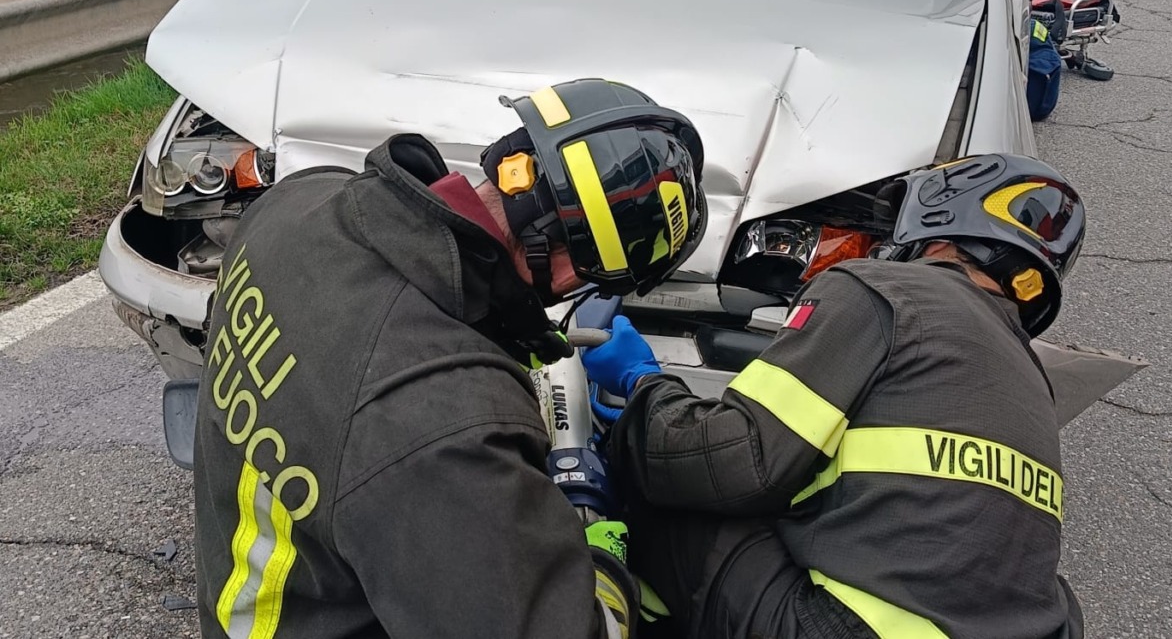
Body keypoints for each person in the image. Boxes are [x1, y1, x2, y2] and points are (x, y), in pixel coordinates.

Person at [191, 78, 707, 639]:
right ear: (567, 271)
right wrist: (597, 552)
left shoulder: (299, 202)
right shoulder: (447, 427)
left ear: (512, 155)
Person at [585, 154, 1089, 639]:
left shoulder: (882, 289)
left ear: (934, 215)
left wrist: (646, 389)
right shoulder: (1029, 371)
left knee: (663, 497)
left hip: (842, 628)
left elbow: (730, 463)